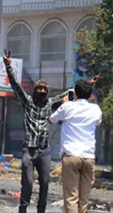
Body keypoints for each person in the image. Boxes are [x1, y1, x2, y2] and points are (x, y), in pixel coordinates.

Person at [3, 49, 69, 213]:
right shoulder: (28, 102)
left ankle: (41, 210)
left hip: (44, 150)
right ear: (35, 90)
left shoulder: (50, 103)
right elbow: (15, 85)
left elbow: (71, 92)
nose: (42, 92)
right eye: (39, 89)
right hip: (29, 149)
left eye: (45, 90)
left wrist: (89, 84)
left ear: (47, 92)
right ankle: (23, 210)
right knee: (28, 182)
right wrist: (8, 66)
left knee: (45, 182)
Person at [49, 79, 102, 213]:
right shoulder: (95, 109)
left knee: (71, 197)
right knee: (84, 199)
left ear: (75, 94)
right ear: (90, 95)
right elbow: (98, 122)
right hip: (89, 157)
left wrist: (64, 104)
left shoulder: (67, 107)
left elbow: (51, 119)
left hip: (71, 156)